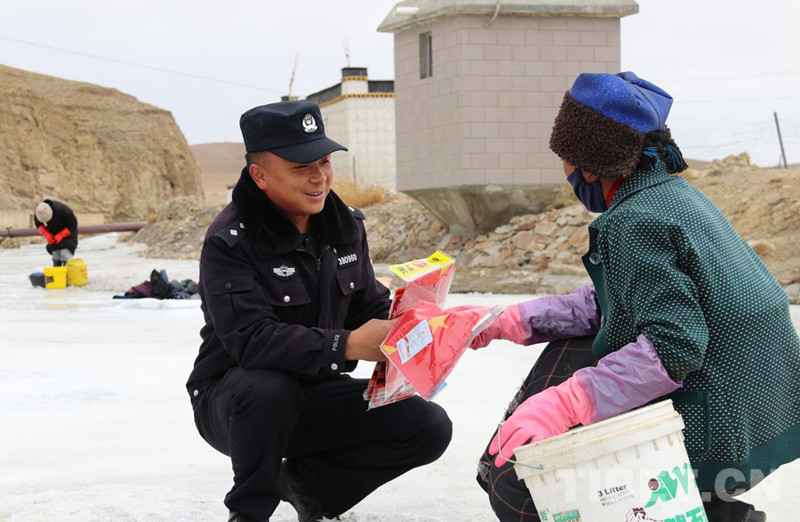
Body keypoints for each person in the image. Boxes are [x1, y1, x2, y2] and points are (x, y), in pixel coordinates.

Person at [471, 72, 800, 522]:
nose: (563, 170)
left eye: (564, 157)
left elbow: (674, 345)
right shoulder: (675, 195)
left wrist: (568, 403)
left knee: (522, 495)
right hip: (768, 410)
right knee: (574, 349)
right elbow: (616, 302)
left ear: (589, 162)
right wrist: (509, 320)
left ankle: (712, 510)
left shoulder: (634, 220)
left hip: (725, 429)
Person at [186, 100, 453, 522]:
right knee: (269, 387)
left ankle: (307, 486)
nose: (318, 177)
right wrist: (347, 345)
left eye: (325, 162)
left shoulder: (344, 227)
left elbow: (366, 307)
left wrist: (414, 323)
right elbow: (251, 341)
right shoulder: (230, 241)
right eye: (299, 166)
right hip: (234, 403)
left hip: (314, 393)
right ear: (259, 175)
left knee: (428, 425)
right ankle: (250, 511)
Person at [33, 199, 78, 266]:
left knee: (65, 253)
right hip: (53, 232)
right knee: (55, 253)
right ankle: (57, 271)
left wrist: (61, 235)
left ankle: (69, 271)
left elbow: (73, 224)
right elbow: (38, 224)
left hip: (68, 232)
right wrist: (46, 234)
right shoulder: (39, 211)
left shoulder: (63, 210)